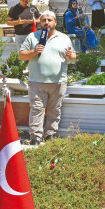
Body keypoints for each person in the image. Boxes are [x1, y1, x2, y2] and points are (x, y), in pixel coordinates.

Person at [19, 11, 76, 145]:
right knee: (37, 110)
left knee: (54, 110)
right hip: (36, 82)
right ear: (40, 23)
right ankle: (36, 137)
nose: (46, 22)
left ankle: (50, 134)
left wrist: (70, 56)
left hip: (58, 82)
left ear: (55, 22)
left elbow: (73, 57)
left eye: (49, 20)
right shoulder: (32, 37)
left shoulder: (64, 38)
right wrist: (34, 52)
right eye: (43, 20)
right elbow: (22, 55)